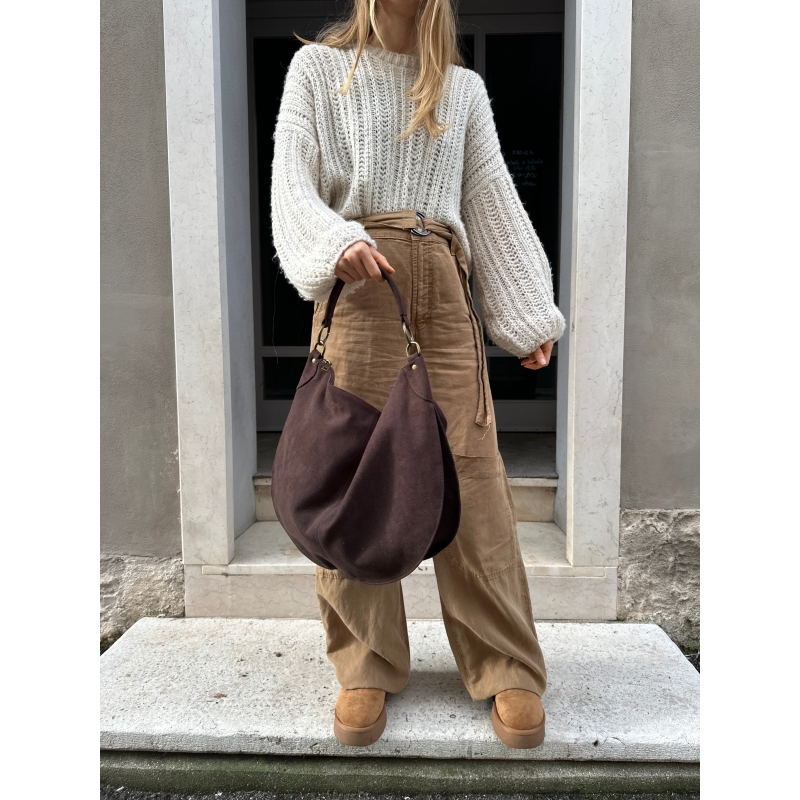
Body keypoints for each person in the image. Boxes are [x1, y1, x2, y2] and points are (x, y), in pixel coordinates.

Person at [270, 0, 565, 749]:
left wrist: (525, 311)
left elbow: (490, 199)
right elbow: (290, 183)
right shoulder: (319, 71)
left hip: (444, 279)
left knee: (473, 474)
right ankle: (365, 661)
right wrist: (333, 241)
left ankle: (506, 663)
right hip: (362, 281)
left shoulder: (461, 88)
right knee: (355, 469)